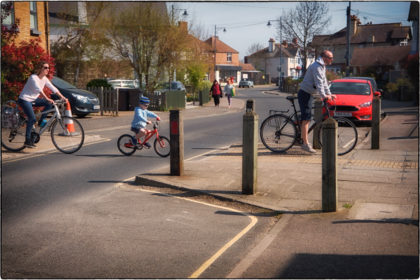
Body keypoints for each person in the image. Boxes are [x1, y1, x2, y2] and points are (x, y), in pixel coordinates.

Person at [17, 61, 68, 148]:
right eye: (45, 67)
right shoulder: (33, 77)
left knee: (49, 103)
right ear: (40, 68)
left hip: (34, 99)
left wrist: (63, 97)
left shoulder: (44, 79)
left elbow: (53, 88)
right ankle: (27, 141)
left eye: (48, 68)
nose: (47, 69)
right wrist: (46, 98)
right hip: (25, 99)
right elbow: (38, 89)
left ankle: (41, 121)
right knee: (32, 118)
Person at [298, 50, 336, 153]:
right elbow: (319, 83)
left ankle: (302, 138)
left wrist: (329, 94)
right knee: (306, 119)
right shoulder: (317, 66)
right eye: (330, 57)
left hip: (309, 93)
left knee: (307, 118)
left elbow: (324, 83)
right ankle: (305, 144)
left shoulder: (322, 66)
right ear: (324, 57)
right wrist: (324, 96)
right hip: (305, 93)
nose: (332, 60)